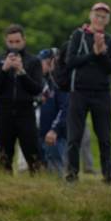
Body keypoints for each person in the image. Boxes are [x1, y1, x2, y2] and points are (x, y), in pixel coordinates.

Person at [65, 2, 111, 184]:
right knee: (74, 136)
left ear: (107, 20)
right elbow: (70, 61)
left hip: (101, 93)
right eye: (97, 15)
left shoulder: (109, 40)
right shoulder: (78, 35)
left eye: (103, 17)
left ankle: (108, 176)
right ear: (90, 16)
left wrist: (102, 53)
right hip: (78, 91)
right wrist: (93, 54)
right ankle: (71, 175)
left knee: (104, 137)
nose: (99, 19)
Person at [0, 24, 44, 174]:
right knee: (4, 155)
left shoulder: (33, 61)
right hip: (3, 113)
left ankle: (38, 185)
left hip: (25, 112)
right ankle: (5, 187)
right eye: (11, 42)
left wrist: (22, 72)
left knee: (33, 154)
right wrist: (4, 70)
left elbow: (37, 89)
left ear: (24, 41)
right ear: (6, 42)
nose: (14, 45)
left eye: (17, 41)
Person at [38, 47, 68, 176]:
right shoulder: (39, 81)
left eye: (44, 62)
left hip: (55, 135)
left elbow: (65, 108)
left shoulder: (60, 83)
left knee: (55, 171)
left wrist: (55, 129)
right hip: (39, 133)